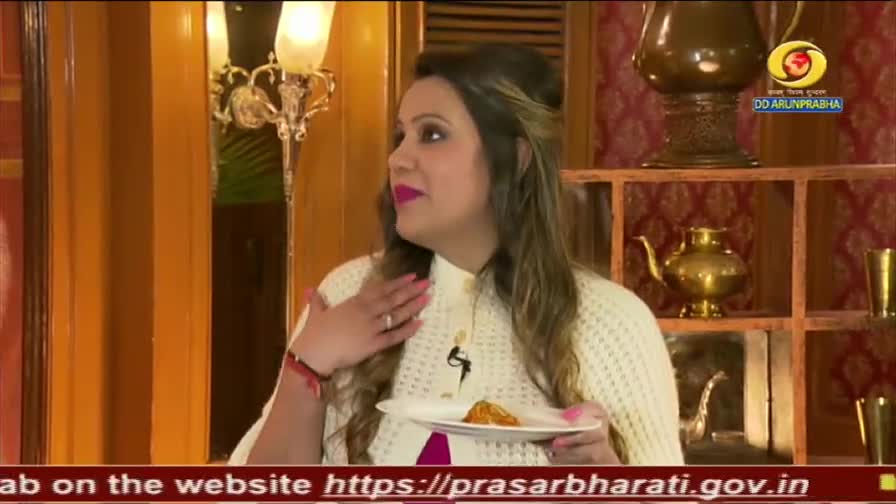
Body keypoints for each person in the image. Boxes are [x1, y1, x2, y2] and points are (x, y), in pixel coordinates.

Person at [229, 43, 683, 469]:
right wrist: (306, 365)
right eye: (400, 136)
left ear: (516, 157)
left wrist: (606, 477)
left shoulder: (615, 324)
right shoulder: (347, 294)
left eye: (431, 134)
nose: (398, 159)